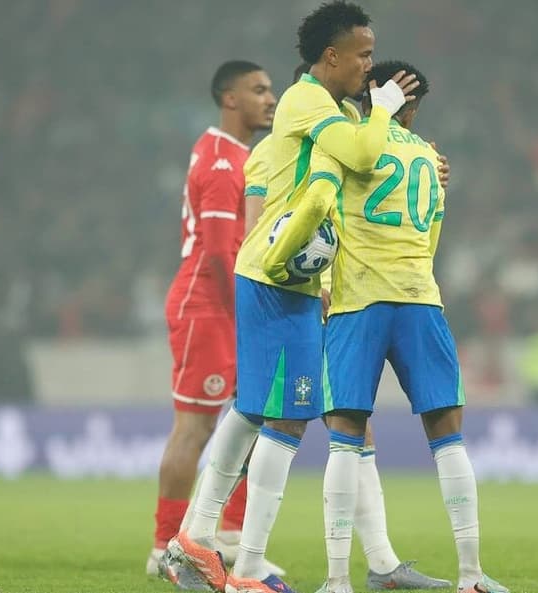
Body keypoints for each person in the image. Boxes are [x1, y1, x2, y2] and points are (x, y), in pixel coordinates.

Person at [167, 3, 420, 593]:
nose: (369, 64)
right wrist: (382, 110)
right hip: (282, 279)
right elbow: (360, 156)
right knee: (285, 416)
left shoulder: (316, 114)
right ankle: (248, 567)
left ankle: (193, 540)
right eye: (361, 54)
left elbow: (351, 172)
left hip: (281, 276)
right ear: (330, 55)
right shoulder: (310, 101)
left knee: (253, 410)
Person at [283, 60, 512, 593]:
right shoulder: (431, 159)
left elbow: (320, 206)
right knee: (449, 438)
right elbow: (431, 237)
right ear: (412, 107)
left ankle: (337, 580)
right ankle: (472, 577)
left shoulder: (347, 143)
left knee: (344, 439)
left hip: (358, 302)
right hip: (419, 301)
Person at [148, 60, 278, 580]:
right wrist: (250, 310)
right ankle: (164, 546)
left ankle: (227, 534)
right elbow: (225, 253)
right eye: (259, 90)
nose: (271, 98)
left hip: (230, 307)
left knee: (253, 419)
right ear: (230, 99)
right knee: (197, 428)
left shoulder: (238, 155)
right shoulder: (223, 162)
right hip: (208, 306)